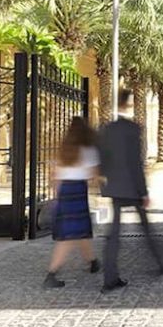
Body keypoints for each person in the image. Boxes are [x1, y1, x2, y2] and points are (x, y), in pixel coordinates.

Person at [98, 89, 163, 293]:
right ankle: (162, 260)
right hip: (132, 187)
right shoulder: (133, 129)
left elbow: (102, 159)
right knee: (145, 227)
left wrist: (105, 183)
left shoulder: (107, 129)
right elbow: (135, 163)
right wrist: (143, 191)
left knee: (114, 233)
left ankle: (109, 278)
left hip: (115, 187)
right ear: (129, 104)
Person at [43, 116, 101, 288]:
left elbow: (55, 174)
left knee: (79, 230)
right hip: (78, 190)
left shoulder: (65, 148)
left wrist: (57, 193)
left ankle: (92, 261)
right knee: (69, 236)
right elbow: (93, 174)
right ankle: (51, 273)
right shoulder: (88, 149)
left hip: (65, 191)